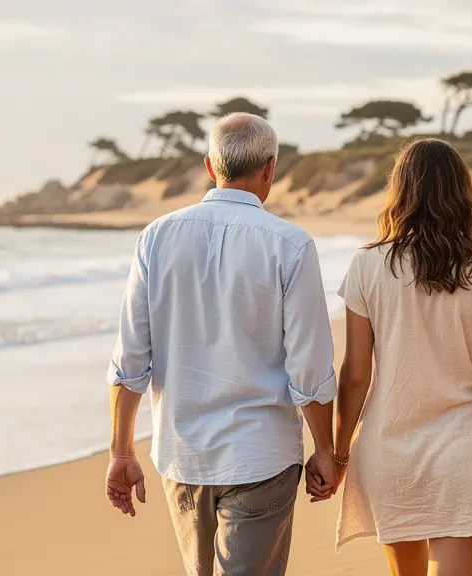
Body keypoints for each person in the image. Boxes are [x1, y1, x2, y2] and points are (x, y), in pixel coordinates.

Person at [104, 113, 338, 576]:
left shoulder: (156, 237)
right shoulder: (290, 245)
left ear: (210, 167)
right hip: (262, 453)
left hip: (183, 451)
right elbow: (308, 368)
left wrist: (121, 451)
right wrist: (326, 449)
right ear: (271, 168)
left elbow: (130, 359)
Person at [328, 138, 472, 576]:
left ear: (400, 191)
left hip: (390, 450)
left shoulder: (367, 266)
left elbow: (354, 375)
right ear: (462, 193)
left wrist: (339, 453)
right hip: (467, 452)